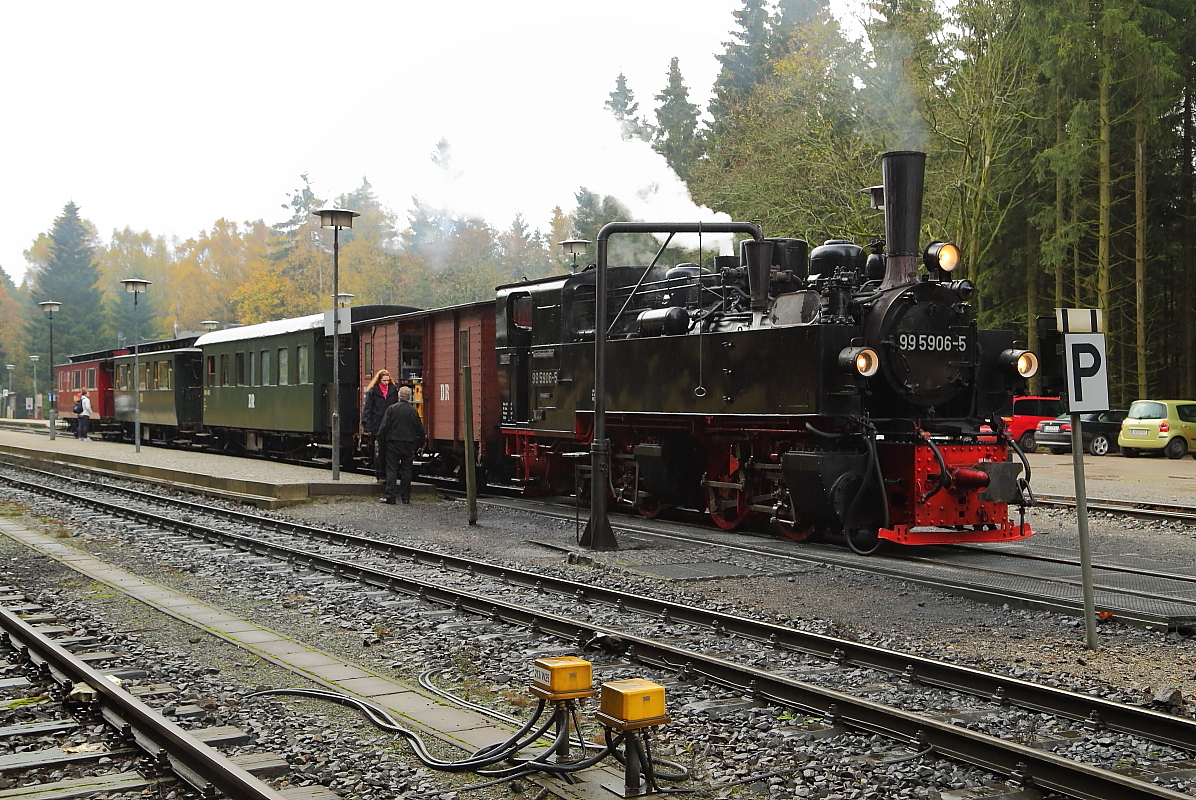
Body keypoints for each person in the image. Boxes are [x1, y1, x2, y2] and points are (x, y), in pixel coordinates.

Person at [376, 385, 425, 504]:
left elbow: (384, 426)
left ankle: (390, 496)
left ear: (399, 396)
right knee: (407, 470)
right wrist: (421, 441)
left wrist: (380, 439)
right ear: (409, 397)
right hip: (408, 443)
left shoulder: (392, 409)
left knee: (392, 469)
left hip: (393, 442)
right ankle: (406, 497)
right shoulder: (413, 411)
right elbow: (419, 428)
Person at [361, 370, 399, 482]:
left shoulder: (393, 391)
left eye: (388, 380)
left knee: (390, 452)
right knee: (379, 452)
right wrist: (367, 426)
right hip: (377, 426)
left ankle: (388, 474)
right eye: (384, 380)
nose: (386, 382)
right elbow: (367, 410)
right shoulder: (372, 392)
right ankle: (380, 474)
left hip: (390, 427)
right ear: (379, 380)